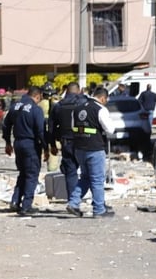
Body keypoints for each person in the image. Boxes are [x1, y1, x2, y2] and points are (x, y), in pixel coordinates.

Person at [66, 87, 116, 218]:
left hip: (79, 148)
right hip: (95, 149)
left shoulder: (77, 108)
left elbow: (73, 127)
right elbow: (110, 129)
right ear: (103, 98)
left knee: (85, 177)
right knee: (97, 180)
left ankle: (73, 203)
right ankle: (99, 209)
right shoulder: (100, 109)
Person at [2, 86, 46, 215]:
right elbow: (40, 131)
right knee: (32, 175)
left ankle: (15, 201)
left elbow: (6, 125)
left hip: (18, 143)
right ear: (37, 96)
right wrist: (45, 147)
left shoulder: (15, 106)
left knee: (23, 173)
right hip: (30, 144)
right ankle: (26, 206)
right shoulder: (36, 109)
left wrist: (7, 142)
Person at [48, 82, 86, 200]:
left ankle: (73, 200)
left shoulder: (58, 105)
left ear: (66, 91)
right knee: (90, 172)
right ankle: (96, 202)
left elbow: (51, 127)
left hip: (66, 142)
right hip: (84, 142)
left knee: (70, 172)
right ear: (79, 91)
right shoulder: (84, 103)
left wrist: (53, 144)